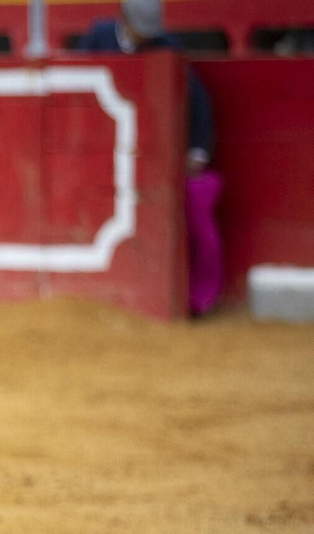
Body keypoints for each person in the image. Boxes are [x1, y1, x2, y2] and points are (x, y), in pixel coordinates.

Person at [79, 0, 223, 315]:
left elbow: (198, 103)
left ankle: (198, 299)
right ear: (123, 18)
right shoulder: (97, 38)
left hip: (159, 161)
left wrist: (197, 151)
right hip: (106, 159)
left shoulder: (167, 46)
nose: (147, 39)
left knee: (196, 212)